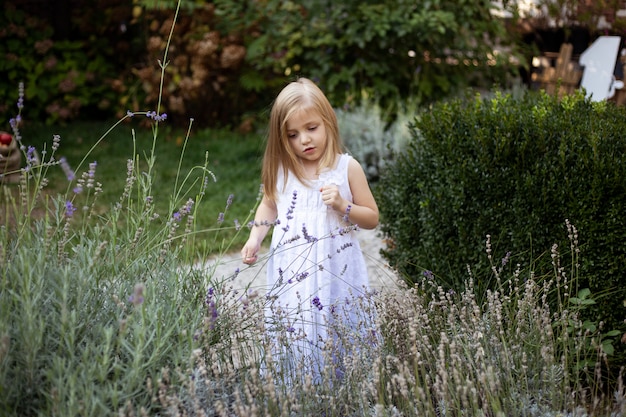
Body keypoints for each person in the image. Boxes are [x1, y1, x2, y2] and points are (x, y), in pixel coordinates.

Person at [240, 77, 379, 381]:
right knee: (296, 324)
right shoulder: (282, 171)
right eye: (293, 134)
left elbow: (371, 217)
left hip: (336, 270)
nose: (304, 139)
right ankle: (298, 388)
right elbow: (268, 205)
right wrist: (255, 237)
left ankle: (346, 386)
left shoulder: (346, 168)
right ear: (282, 137)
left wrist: (344, 205)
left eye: (311, 128)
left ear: (328, 122)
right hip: (294, 273)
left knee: (337, 324)